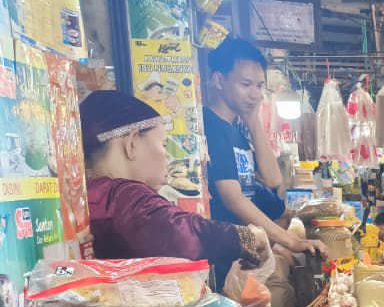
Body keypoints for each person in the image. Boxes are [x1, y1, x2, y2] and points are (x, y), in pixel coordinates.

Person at [81, 90, 270, 269]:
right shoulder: (124, 196)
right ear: (132, 144)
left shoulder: (85, 197)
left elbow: (67, 271)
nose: (167, 157)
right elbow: (178, 234)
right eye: (163, 144)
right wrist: (246, 237)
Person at [203, 38, 322, 258]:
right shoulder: (211, 127)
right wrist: (291, 241)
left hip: (242, 256)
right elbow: (233, 198)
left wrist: (253, 120)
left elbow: (272, 179)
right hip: (223, 257)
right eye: (246, 84)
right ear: (219, 80)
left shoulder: (235, 129)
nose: (255, 94)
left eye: (259, 86)